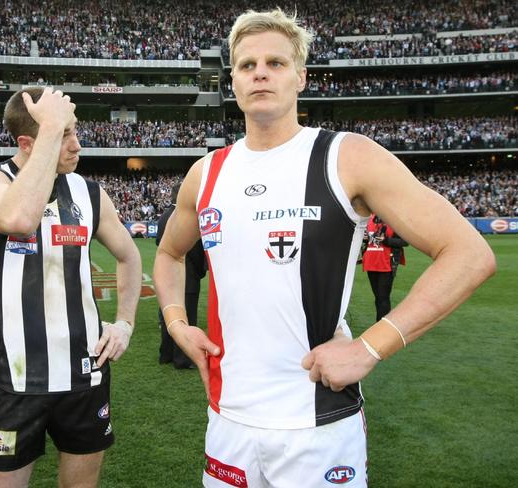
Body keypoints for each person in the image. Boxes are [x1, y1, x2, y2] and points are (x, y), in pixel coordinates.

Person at [153, 8, 495, 488]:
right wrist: (176, 323)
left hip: (318, 424)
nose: (260, 73)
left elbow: (469, 252)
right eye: (247, 65)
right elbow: (168, 254)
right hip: (228, 422)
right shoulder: (205, 174)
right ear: (232, 80)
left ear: (301, 77)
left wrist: (371, 347)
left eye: (276, 62)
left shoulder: (346, 156)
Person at [0, 86, 142, 488]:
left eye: (74, 130)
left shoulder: (87, 192)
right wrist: (49, 130)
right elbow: (18, 219)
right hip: (17, 380)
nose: (77, 144)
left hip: (86, 375)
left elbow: (130, 256)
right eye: (65, 133)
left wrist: (124, 324)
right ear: (28, 142)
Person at [156, 182, 207, 369]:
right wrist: (201, 269)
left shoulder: (164, 216)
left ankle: (166, 354)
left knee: (168, 314)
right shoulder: (183, 217)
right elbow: (193, 249)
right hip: (186, 275)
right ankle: (182, 358)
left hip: (167, 274)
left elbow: (159, 244)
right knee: (186, 317)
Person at [362, 214, 408, 321]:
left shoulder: (394, 220)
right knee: (378, 297)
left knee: (383, 297)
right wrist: (365, 238)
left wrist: (386, 240)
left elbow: (404, 241)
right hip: (371, 262)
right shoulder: (370, 219)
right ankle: (380, 324)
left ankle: (381, 326)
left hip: (386, 264)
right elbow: (368, 240)